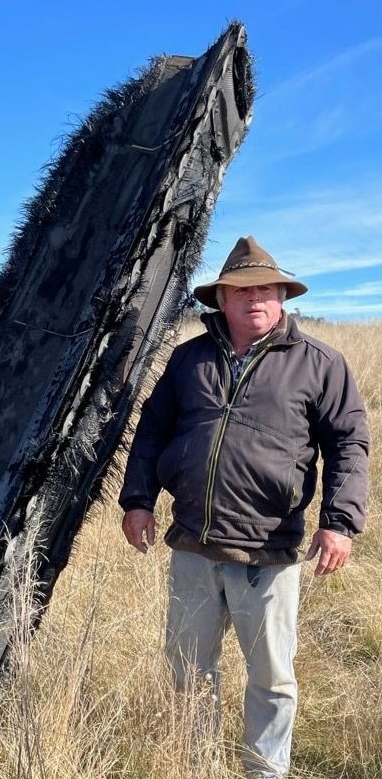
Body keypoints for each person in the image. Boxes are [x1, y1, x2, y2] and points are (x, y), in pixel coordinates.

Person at [118, 236, 369, 779]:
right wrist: (138, 500)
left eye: (267, 288)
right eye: (242, 289)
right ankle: (194, 762)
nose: (256, 297)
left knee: (272, 677)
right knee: (188, 670)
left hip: (269, 550)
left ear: (282, 297)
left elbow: (349, 444)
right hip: (192, 544)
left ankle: (265, 770)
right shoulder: (190, 359)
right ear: (222, 301)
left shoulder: (320, 363)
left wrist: (340, 522)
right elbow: (153, 430)